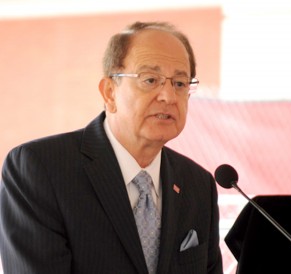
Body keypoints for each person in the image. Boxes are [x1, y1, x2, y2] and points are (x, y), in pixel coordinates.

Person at [0, 21, 223, 274]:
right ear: (109, 92)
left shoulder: (198, 185)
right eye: (150, 80)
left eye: (180, 84)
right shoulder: (39, 169)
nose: (168, 96)